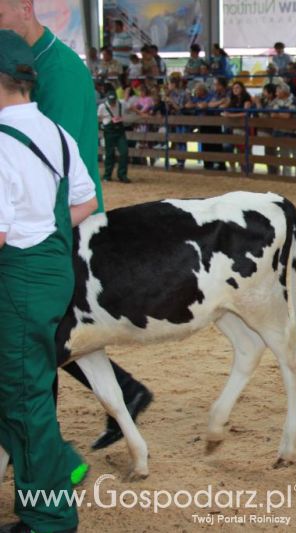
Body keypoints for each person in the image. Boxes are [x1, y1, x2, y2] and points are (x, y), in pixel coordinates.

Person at [0, 0, 154, 452]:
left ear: (25, 9)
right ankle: (121, 394)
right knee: (52, 328)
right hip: (52, 217)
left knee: (38, 330)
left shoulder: (59, 71)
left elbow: (50, 159)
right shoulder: (36, 62)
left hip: (58, 222)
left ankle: (42, 452)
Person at [0, 29, 98, 533]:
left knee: (24, 399)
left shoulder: (0, 143)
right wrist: (47, 228)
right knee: (23, 391)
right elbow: (86, 201)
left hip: (16, 278)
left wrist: (27, 233)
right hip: (54, 270)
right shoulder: (55, 133)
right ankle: (55, 476)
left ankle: (50, 517)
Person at [97, 91, 130, 183]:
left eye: (114, 101)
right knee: (110, 153)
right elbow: (98, 117)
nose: (112, 103)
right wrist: (102, 125)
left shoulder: (121, 104)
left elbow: (130, 107)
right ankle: (107, 175)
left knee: (124, 151)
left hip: (119, 131)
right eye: (111, 101)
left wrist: (140, 113)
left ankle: (122, 175)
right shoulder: (102, 107)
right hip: (109, 131)